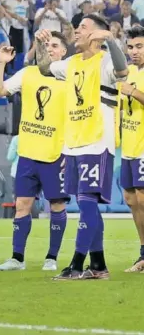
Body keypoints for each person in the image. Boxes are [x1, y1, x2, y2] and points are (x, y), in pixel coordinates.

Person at [35, 17, 129, 280]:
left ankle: (77, 264)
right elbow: (44, 68)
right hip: (74, 142)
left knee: (87, 200)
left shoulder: (106, 61)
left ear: (98, 34)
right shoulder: (71, 63)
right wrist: (40, 44)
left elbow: (122, 71)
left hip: (98, 139)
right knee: (85, 202)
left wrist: (111, 40)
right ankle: (98, 266)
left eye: (84, 27)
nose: (76, 31)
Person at [0, 33, 69, 272]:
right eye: (46, 45)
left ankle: (51, 258)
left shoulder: (71, 78)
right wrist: (1, 62)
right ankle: (17, 258)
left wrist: (69, 152)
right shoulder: (28, 74)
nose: (50, 49)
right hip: (28, 153)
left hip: (56, 154)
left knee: (56, 204)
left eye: (55, 46)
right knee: (22, 205)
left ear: (64, 52)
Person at [119, 26, 144, 273]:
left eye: (139, 46)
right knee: (130, 199)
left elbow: (132, 96)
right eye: (131, 47)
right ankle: (143, 251)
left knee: (143, 197)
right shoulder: (127, 72)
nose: (134, 51)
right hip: (128, 144)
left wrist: (134, 92)